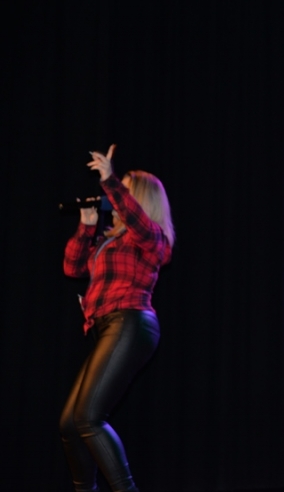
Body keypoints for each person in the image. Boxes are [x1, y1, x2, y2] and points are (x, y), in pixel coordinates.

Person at [60, 145, 175, 492]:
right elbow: (72, 267)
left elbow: (137, 220)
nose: (112, 200)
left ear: (138, 199)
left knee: (88, 417)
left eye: (123, 192)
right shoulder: (109, 242)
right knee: (70, 424)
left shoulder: (152, 238)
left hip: (130, 321)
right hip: (106, 327)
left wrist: (110, 180)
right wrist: (86, 226)